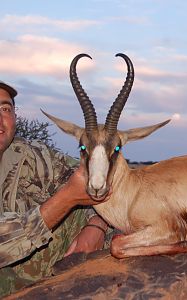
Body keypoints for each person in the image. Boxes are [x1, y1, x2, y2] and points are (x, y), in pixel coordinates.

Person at [0, 81, 111, 297]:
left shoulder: (31, 155)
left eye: (4, 109)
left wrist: (98, 223)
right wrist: (66, 199)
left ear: (14, 117)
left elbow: (89, 180)